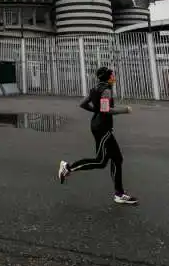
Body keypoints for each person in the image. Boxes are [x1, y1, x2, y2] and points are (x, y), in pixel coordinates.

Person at [57, 66, 138, 205]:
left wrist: (95, 110)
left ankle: (119, 194)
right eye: (112, 76)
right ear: (107, 77)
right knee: (100, 161)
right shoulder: (106, 90)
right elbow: (106, 110)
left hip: (98, 125)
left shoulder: (95, 88)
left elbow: (83, 104)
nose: (114, 78)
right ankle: (67, 168)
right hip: (102, 128)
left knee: (117, 159)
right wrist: (125, 110)